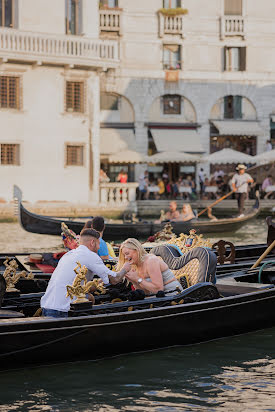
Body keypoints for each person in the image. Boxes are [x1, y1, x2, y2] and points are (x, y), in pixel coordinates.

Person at [41, 229, 131, 318]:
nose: (99, 247)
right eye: (98, 243)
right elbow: (115, 280)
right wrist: (125, 269)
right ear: (92, 242)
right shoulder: (91, 256)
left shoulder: (68, 255)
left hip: (46, 306)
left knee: (89, 297)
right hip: (64, 310)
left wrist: (99, 282)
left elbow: (83, 287)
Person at [117, 238, 183, 295]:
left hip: (174, 294)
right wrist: (134, 281)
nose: (125, 257)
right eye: (124, 255)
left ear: (137, 250)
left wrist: (137, 279)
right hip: (157, 297)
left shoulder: (151, 260)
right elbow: (146, 292)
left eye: (127, 253)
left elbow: (159, 289)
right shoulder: (134, 266)